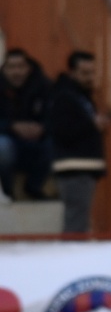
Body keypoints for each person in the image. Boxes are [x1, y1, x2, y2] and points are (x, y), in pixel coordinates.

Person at [46, 51, 106, 234]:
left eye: (92, 72)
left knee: (79, 218)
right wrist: (92, 124)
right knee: (76, 222)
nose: (90, 78)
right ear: (72, 72)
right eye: (84, 73)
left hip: (82, 165)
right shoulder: (64, 96)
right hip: (73, 166)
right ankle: (73, 258)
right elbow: (62, 130)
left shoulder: (80, 96)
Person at [0, 48, 52, 201]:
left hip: (38, 141)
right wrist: (12, 127)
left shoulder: (44, 86)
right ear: (4, 69)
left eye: (20, 67)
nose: (17, 72)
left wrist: (42, 128)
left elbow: (57, 117)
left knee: (57, 143)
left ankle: (33, 187)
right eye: (11, 67)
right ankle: (8, 190)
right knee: (2, 147)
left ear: (28, 68)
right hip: (9, 140)